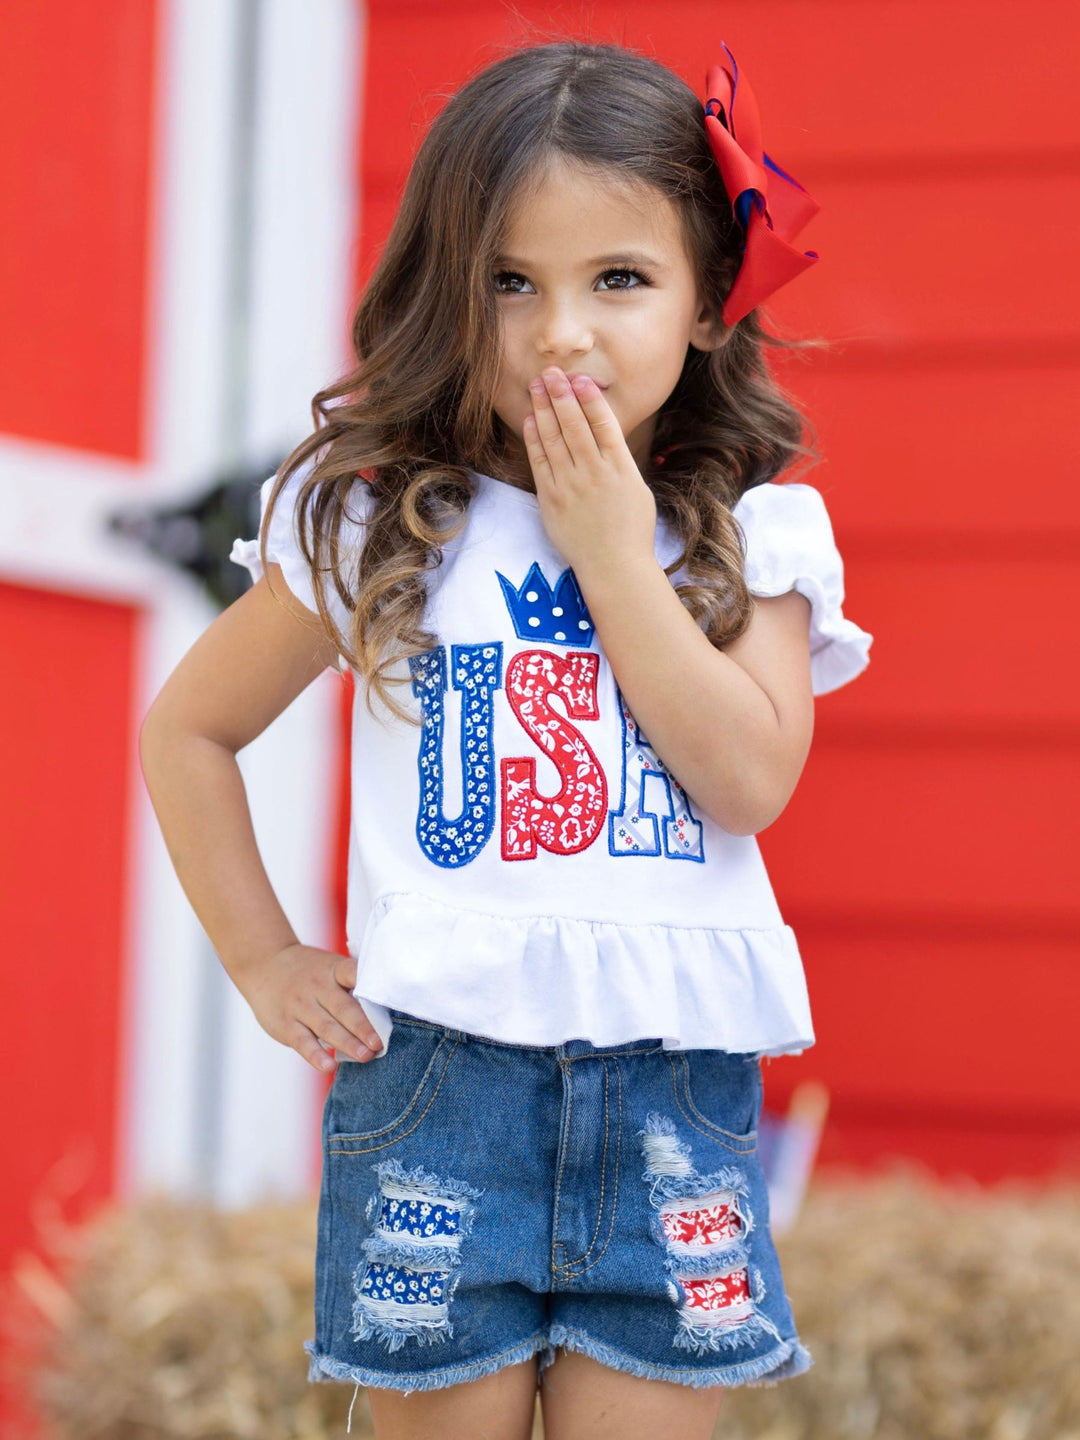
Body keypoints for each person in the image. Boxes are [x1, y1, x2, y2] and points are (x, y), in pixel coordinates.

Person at [140, 38, 873, 1440]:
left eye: (620, 280)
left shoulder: (757, 536)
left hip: (671, 1098)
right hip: (440, 1080)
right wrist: (261, 956)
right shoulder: (380, 518)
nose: (563, 333)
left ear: (713, 303)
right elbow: (191, 731)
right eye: (511, 282)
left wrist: (614, 559)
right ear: (446, 290)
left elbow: (750, 778)